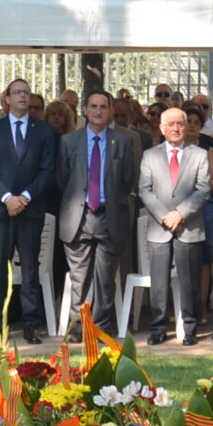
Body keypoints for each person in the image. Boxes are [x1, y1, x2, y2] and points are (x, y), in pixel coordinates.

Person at [0, 77, 59, 343]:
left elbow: (48, 171)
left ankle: (31, 325)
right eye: (17, 92)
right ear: (7, 99)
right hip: (1, 212)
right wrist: (6, 198)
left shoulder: (44, 130)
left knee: (30, 270)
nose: (23, 96)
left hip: (30, 209)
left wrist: (23, 197)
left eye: (27, 92)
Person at [56, 91, 139, 337]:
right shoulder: (69, 141)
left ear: (111, 111)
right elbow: (63, 179)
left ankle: (100, 328)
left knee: (105, 279)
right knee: (79, 278)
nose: (99, 111)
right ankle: (78, 328)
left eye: (104, 106)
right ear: (85, 110)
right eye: (93, 106)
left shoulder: (122, 141)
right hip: (78, 216)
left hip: (109, 215)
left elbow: (127, 179)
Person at [138, 105, 213, 343]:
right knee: (159, 282)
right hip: (159, 228)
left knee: (189, 280)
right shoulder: (150, 155)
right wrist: (165, 216)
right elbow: (144, 190)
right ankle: (158, 328)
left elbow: (203, 191)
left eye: (180, 123)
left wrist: (179, 213)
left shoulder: (199, 154)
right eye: (171, 124)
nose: (176, 128)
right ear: (161, 128)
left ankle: (189, 329)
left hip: (189, 227)